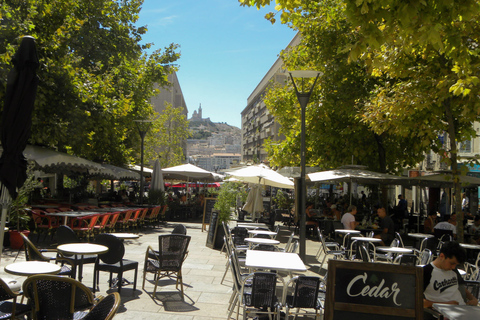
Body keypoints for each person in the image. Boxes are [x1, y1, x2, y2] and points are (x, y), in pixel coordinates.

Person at [423, 241, 478, 309]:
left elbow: (461, 287)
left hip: (463, 309)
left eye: (456, 265)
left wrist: (473, 299)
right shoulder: (427, 272)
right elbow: (418, 302)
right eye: (452, 263)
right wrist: (446, 304)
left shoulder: (452, 270)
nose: (453, 267)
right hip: (445, 313)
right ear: (442, 256)